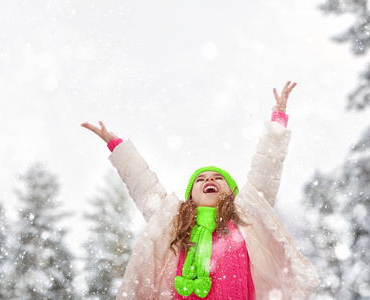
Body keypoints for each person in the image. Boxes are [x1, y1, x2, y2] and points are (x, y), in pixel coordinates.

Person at [81, 81, 320, 299]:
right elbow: (143, 185)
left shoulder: (246, 215)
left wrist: (278, 120)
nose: (209, 180)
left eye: (218, 178)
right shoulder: (173, 220)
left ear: (232, 192)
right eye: (200, 179)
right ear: (191, 196)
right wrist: (118, 147)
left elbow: (267, 165)